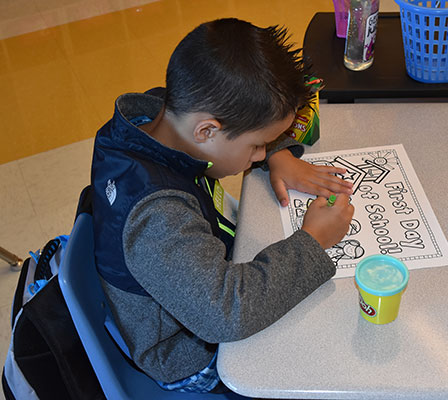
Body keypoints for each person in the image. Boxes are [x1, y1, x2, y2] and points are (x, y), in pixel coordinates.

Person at [90, 18, 354, 393]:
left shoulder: (159, 116)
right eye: (259, 144)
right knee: (334, 351)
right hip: (190, 354)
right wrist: (313, 240)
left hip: (200, 285)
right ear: (207, 131)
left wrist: (277, 156)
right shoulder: (156, 218)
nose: (261, 153)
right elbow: (227, 314)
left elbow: (237, 124)